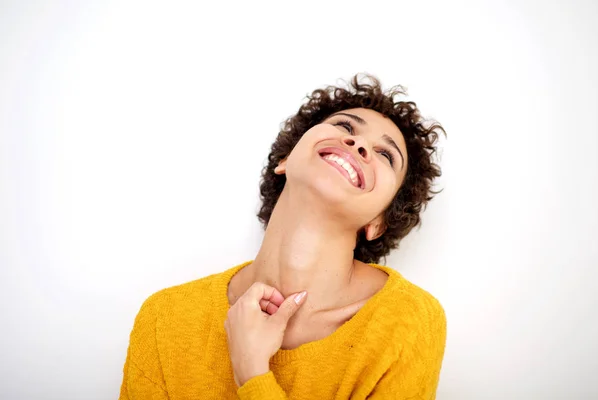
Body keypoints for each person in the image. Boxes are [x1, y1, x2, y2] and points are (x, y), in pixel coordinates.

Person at [118, 74, 447, 399]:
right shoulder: (165, 319)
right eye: (345, 127)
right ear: (286, 160)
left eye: (386, 156)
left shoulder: (408, 322)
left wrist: (252, 372)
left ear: (380, 221)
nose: (359, 144)